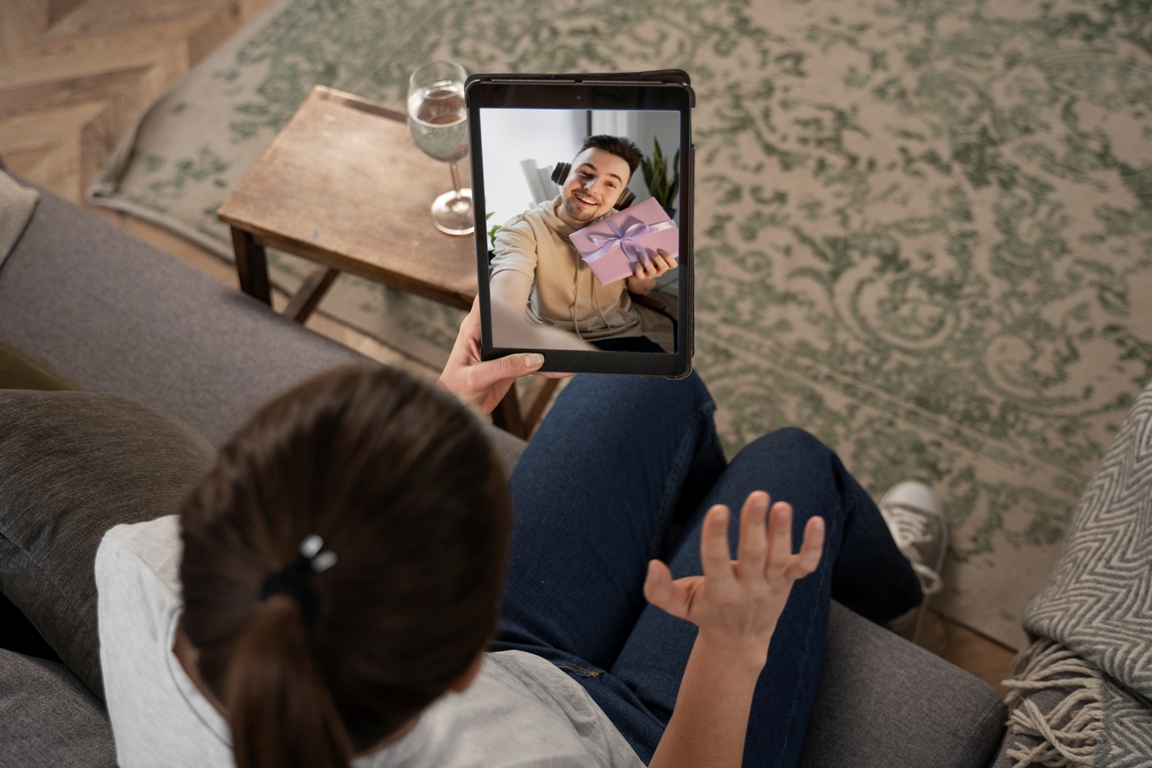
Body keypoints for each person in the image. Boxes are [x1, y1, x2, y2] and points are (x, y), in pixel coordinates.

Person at [96, 301, 938, 768]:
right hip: (643, 741)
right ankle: (899, 597)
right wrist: (732, 646)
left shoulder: (138, 561)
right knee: (790, 466)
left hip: (505, 663)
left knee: (638, 374)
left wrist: (432, 420)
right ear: (461, 662)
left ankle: (687, 512)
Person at [489, 135, 678, 352]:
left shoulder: (629, 229)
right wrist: (505, 318)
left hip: (619, 334)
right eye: (586, 174)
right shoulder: (523, 228)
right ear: (563, 174)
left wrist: (642, 276)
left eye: (610, 184)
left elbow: (642, 290)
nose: (591, 188)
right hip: (550, 338)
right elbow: (508, 283)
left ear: (621, 196)